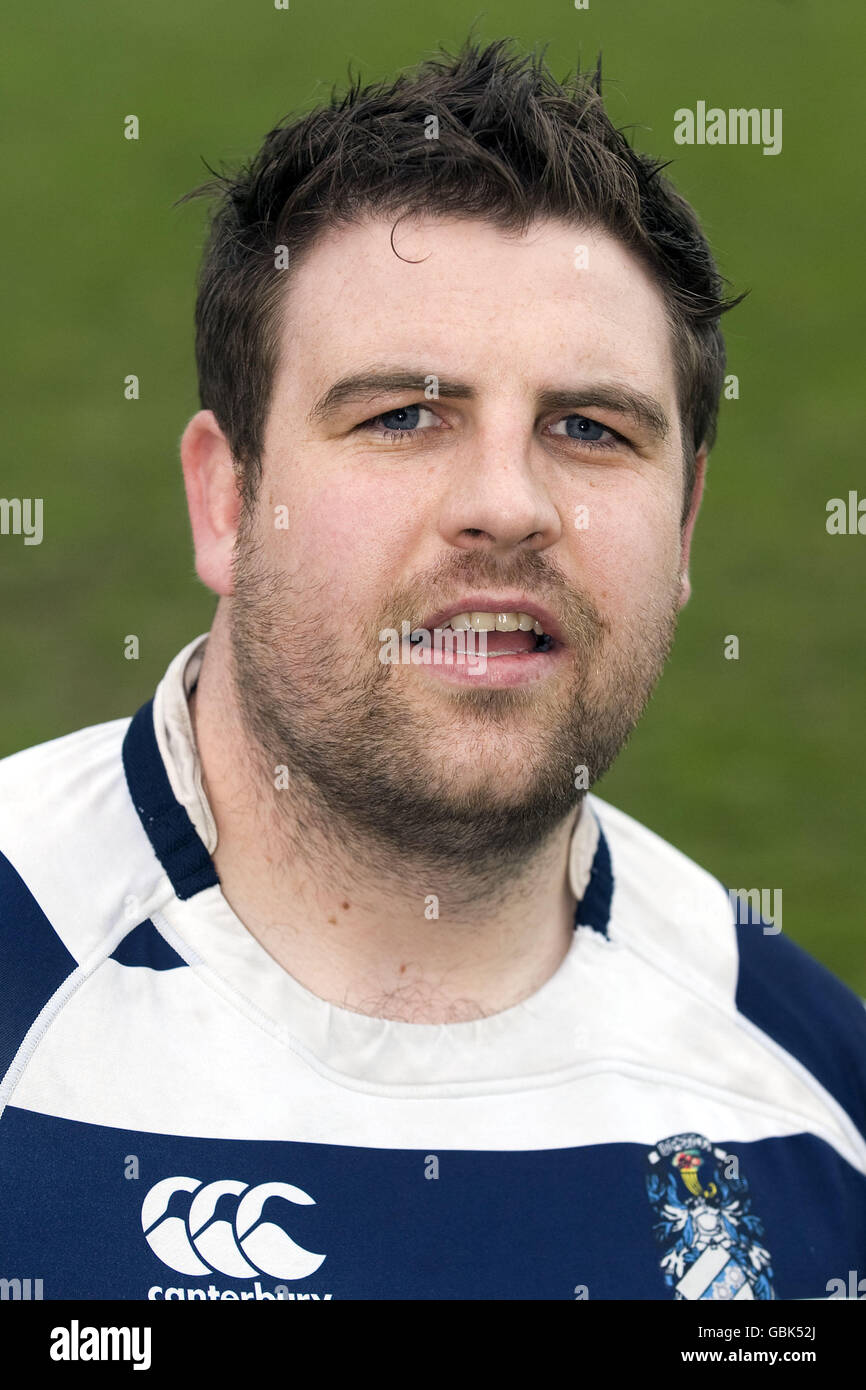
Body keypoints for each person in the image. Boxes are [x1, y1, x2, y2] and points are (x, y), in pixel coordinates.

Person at [0, 37, 863, 1303]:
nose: (506, 506)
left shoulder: (817, 1110)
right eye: (402, 416)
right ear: (225, 499)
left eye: (589, 428)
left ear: (680, 533)